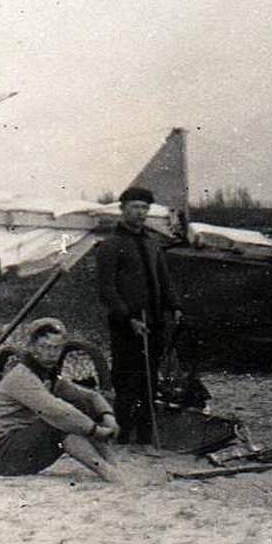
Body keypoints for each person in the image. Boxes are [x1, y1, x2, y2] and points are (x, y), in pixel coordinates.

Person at [0, 318, 129, 483]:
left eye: (56, 348)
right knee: (59, 422)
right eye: (44, 347)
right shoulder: (22, 376)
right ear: (32, 347)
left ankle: (113, 465)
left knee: (81, 405)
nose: (51, 353)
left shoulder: (47, 374)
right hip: (3, 453)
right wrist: (96, 431)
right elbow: (57, 411)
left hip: (24, 444)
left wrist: (108, 416)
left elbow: (90, 396)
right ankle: (106, 471)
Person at [94, 186, 183, 447]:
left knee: (149, 378)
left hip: (154, 321)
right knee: (126, 378)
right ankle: (123, 435)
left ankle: (145, 435)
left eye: (145, 208)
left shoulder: (152, 244)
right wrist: (128, 318)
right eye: (135, 207)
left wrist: (174, 306)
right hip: (127, 325)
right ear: (122, 210)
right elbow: (106, 289)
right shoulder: (111, 246)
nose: (140, 213)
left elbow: (164, 281)